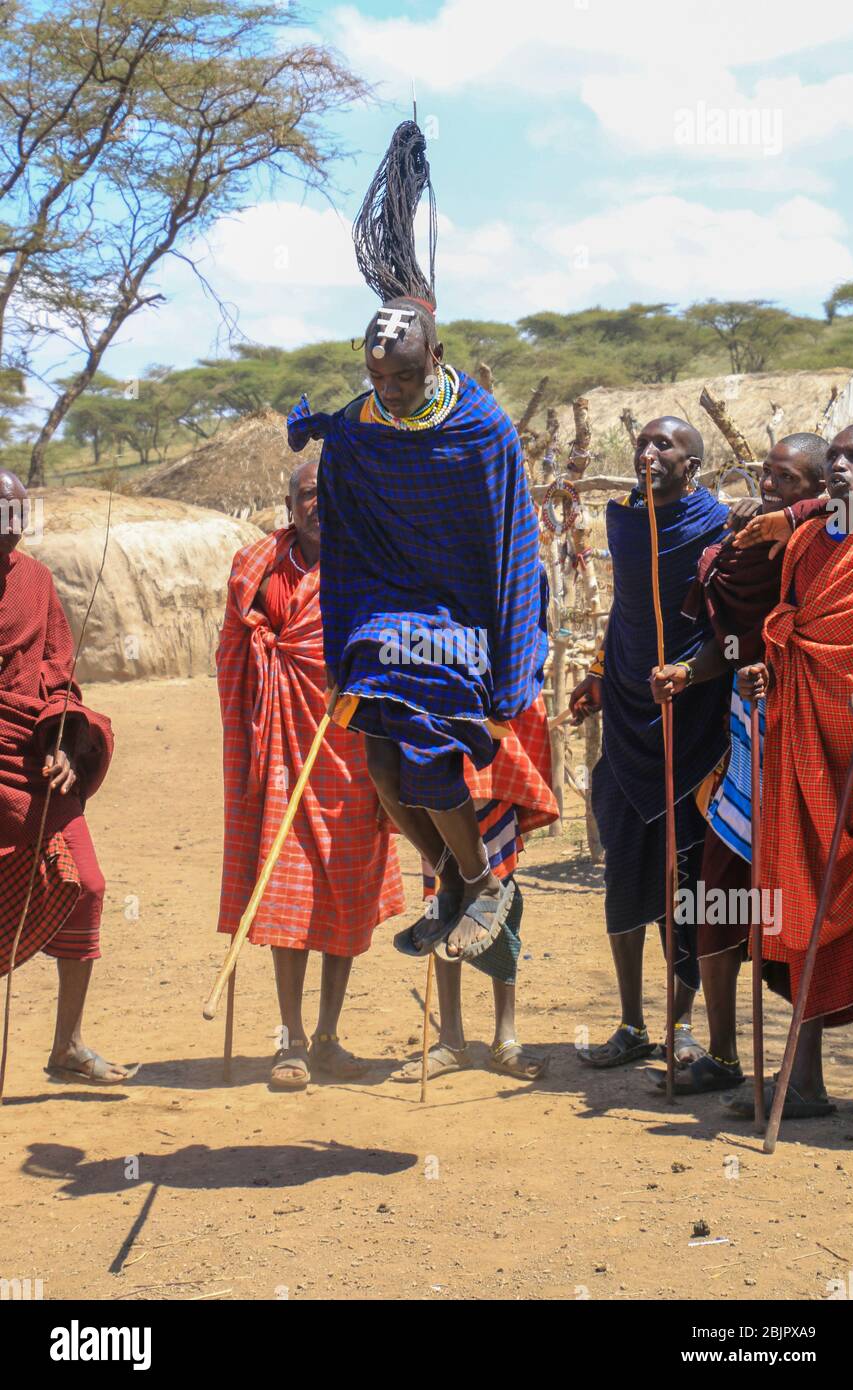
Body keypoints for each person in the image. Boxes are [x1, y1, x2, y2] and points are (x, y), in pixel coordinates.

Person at [286, 121, 547, 971]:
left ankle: (489, 884)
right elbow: (349, 539)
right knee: (386, 773)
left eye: (405, 375)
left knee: (435, 762)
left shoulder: (480, 428)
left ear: (437, 356)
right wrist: (341, 639)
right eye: (378, 379)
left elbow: (509, 541)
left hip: (461, 620)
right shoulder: (357, 434)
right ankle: (449, 881)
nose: (391, 391)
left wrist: (511, 656)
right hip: (384, 618)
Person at [216, 457, 405, 1090]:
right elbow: (232, 650)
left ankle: (329, 1034)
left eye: (328, 494)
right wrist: (266, 666)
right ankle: (290, 1038)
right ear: (289, 502)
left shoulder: (370, 565)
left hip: (351, 749)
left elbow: (394, 647)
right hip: (278, 746)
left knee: (346, 894)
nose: (317, 504)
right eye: (306, 495)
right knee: (285, 889)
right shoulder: (257, 565)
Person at [648, 434, 827, 1093]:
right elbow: (729, 647)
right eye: (768, 475)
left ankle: (809, 1075)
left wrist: (778, 667)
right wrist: (686, 670)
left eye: (789, 479)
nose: (773, 488)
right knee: (718, 892)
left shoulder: (835, 556)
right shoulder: (747, 552)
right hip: (749, 749)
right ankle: (723, 1054)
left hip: (822, 753)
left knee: (818, 906)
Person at [570, 419, 731, 1069]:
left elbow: (732, 625)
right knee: (624, 876)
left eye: (665, 446)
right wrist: (602, 672)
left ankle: (681, 1024)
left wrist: (689, 673)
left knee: (683, 878)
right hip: (631, 719)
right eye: (644, 443)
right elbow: (628, 610)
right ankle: (633, 1023)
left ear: (694, 464)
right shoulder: (624, 524)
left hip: (692, 723)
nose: (648, 454)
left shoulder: (718, 528)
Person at [727, 424, 853, 1118]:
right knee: (806, 906)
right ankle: (803, 1079)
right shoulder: (807, 541)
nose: (841, 467)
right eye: (835, 458)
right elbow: (788, 627)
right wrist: (761, 669)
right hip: (806, 751)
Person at [0, 469, 130, 1084]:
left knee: (90, 885)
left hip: (36, 769)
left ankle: (67, 1046)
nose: (11, 524)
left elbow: (59, 677)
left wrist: (64, 746)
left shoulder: (37, 582)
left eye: (18, 512)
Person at [393, 700, 559, 1083]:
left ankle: (506, 1039)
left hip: (489, 760)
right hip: (432, 767)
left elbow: (519, 681)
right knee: (445, 899)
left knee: (499, 896)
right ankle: (451, 1041)